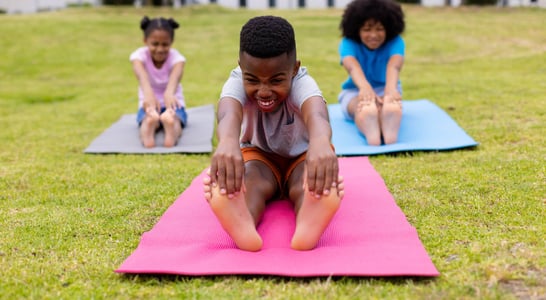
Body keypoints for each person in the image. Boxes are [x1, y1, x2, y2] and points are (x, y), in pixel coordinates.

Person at [203, 16, 344, 252]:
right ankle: (241, 217)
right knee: (250, 183)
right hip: (260, 156)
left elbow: (317, 115)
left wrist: (321, 143)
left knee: (305, 183)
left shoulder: (303, 82)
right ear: (241, 66)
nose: (264, 91)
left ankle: (310, 217)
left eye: (277, 80)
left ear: (294, 69)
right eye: (253, 80)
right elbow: (229, 115)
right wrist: (227, 142)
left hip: (303, 156)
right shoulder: (236, 81)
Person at [338, 0, 405, 145]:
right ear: (357, 29)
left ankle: (385, 122)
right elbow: (352, 66)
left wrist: (390, 89)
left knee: (387, 103)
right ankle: (373, 128)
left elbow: (394, 66)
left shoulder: (395, 42)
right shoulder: (348, 43)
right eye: (367, 29)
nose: (373, 35)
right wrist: (364, 88)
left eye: (379, 29)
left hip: (386, 87)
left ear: (388, 28)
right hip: (355, 89)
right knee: (361, 105)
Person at [130, 16, 188, 148]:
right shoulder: (139, 56)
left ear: (171, 42)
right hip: (149, 103)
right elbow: (142, 77)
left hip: (172, 103)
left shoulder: (177, 58)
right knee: (148, 117)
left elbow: (174, 79)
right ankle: (152, 125)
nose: (160, 49)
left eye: (165, 44)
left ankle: (169, 126)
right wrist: (148, 95)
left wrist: (169, 94)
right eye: (155, 44)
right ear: (145, 41)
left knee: (175, 119)